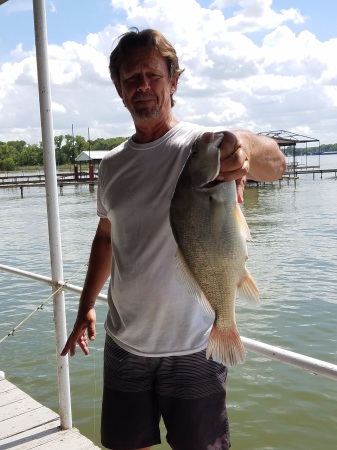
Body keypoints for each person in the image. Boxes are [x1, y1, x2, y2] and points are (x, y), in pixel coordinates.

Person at [61, 28, 286, 450]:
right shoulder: (111, 165)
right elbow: (106, 238)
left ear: (174, 81)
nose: (143, 86)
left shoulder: (203, 147)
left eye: (153, 75)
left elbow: (277, 163)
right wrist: (86, 306)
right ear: (118, 89)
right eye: (131, 78)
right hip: (125, 343)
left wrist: (244, 148)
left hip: (194, 347)